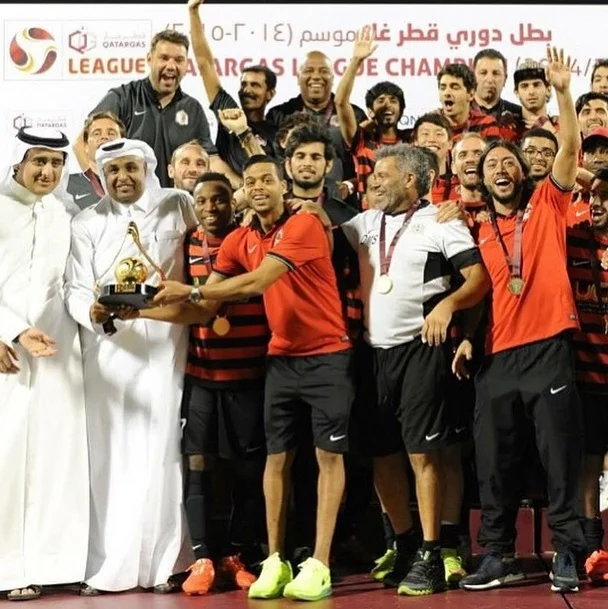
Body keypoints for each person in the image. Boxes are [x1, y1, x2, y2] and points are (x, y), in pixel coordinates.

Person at [150, 154, 354, 602]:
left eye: (267, 180)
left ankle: (319, 563)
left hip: (327, 356)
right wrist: (139, 311)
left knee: (327, 459)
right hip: (280, 358)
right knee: (275, 461)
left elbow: (257, 282)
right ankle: (276, 561)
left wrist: (192, 289)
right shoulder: (239, 239)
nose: (259, 186)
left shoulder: (304, 225)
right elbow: (205, 309)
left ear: (284, 187)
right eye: (252, 181)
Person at [458, 47, 585, 594]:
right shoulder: (477, 227)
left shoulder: (549, 204)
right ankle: (498, 554)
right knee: (495, 462)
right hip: (497, 356)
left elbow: (569, 150)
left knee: (559, 458)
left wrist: (563, 92)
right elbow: (481, 290)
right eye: (491, 166)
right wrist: (468, 339)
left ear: (522, 171)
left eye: (508, 163)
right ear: (482, 180)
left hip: (548, 348)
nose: (501, 170)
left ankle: (567, 552)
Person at [339, 144, 490, 596]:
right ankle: (404, 543)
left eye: (383, 174)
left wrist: (448, 305)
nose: (374, 180)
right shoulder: (364, 223)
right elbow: (316, 236)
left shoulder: (440, 222)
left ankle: (431, 551)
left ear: (410, 179)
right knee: (382, 454)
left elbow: (478, 279)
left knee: (425, 456)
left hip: (422, 351)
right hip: (373, 355)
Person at [64, 138, 199, 595]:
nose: (122, 177)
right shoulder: (86, 221)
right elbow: (75, 287)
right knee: (111, 458)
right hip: (108, 354)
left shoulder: (176, 205)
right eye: (113, 170)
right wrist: (92, 313)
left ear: (147, 169)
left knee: (164, 454)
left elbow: (202, 254)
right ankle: (109, 567)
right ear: (102, 176)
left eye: (130, 168)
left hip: (164, 349)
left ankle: (168, 563)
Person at [143, 173, 268, 595]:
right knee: (197, 467)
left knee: (245, 471)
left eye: (219, 199)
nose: (211, 208)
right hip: (202, 375)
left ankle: (237, 555)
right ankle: (202, 558)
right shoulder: (186, 244)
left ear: (233, 202)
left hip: (248, 375)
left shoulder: (252, 241)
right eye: (202, 200)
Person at [0, 127, 89, 601]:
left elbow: (70, 285)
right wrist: (7, 331)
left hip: (57, 353)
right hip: (6, 356)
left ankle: (55, 563)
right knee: (7, 460)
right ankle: (7, 568)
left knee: (56, 458)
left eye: (56, 163)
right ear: (18, 162)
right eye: (39, 161)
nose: (47, 171)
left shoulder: (63, 213)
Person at [73, 29, 217, 187]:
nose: (171, 66)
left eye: (179, 60)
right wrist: (100, 189)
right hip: (130, 199)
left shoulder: (193, 108)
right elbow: (80, 144)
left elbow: (210, 158)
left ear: (186, 65)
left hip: (175, 200)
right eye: (164, 58)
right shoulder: (123, 97)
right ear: (149, 59)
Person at [566, 167, 608, 583]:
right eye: (593, 195)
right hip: (588, 375)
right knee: (588, 462)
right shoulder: (574, 238)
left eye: (606, 196)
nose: (595, 203)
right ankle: (591, 544)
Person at [188, 0, 278, 181]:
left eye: (255, 85)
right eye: (244, 84)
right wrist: (193, 12)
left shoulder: (276, 131)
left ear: (270, 94)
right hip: (226, 194)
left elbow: (273, 173)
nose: (247, 90)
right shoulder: (229, 112)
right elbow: (205, 64)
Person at [336, 25, 410, 207]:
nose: (387, 105)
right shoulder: (362, 140)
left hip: (405, 213)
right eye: (380, 100)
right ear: (370, 111)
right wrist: (356, 61)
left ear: (401, 109)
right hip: (370, 216)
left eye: (393, 100)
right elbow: (340, 102)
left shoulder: (412, 139)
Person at [68, 111, 125, 209]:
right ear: (85, 146)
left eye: (111, 133)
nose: (104, 137)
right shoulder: (67, 185)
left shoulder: (137, 183)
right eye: (97, 133)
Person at [411, 113, 459, 202]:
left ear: (450, 143)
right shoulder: (408, 184)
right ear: (415, 142)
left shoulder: (461, 184)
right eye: (425, 134)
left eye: (439, 134)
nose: (432, 139)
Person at [513, 60, 559, 141]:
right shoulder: (509, 129)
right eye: (524, 86)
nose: (531, 92)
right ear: (517, 93)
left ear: (548, 90)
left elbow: (571, 148)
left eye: (536, 85)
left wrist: (551, 131)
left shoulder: (559, 126)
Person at [473, 49, 522, 121]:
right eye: (483, 73)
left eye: (496, 73)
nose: (489, 80)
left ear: (505, 79)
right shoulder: (460, 113)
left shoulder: (519, 115)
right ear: (473, 77)